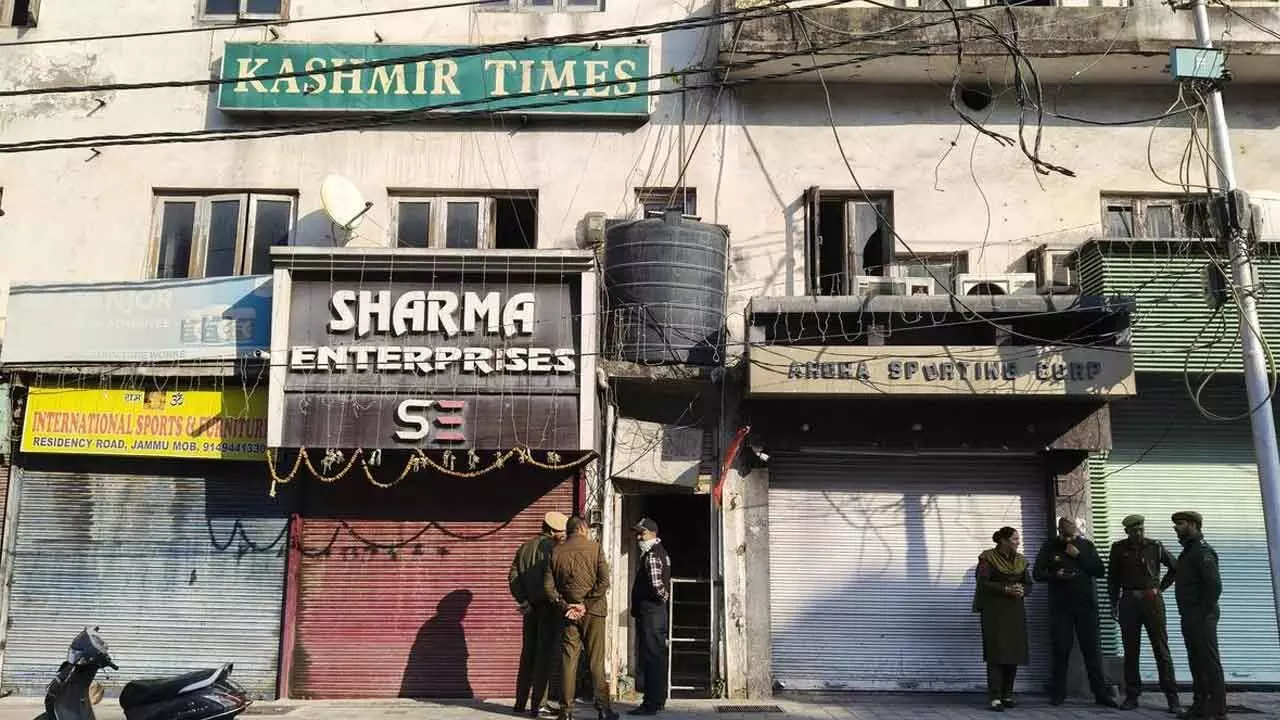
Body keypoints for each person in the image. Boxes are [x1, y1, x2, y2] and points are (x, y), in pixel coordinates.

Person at [1033, 517, 1119, 708]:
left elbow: (1099, 570)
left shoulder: (1086, 546)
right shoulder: (1049, 547)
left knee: (1091, 650)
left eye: (1071, 536)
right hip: (1061, 607)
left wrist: (1079, 556)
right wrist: (1055, 575)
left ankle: (1100, 694)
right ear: (1059, 532)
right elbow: (1037, 573)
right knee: (1061, 649)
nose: (1068, 539)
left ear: (1076, 532)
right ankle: (1058, 694)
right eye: (1064, 536)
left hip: (1085, 606)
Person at [545, 515, 617, 720]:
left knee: (568, 660)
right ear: (583, 529)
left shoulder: (556, 551)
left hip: (568, 613)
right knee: (596, 660)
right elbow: (604, 581)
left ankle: (566, 710)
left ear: (568, 531)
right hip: (594, 612)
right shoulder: (595, 548)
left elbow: (548, 588)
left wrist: (565, 605)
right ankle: (603, 709)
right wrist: (586, 604)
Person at [1107, 514, 1181, 713]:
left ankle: (1172, 698)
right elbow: (1112, 579)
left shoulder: (1155, 546)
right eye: (1134, 530)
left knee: (1161, 650)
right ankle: (1132, 695)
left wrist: (1160, 588)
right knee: (1131, 651)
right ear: (1127, 532)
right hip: (1129, 601)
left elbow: (1175, 567)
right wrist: (1113, 603)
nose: (1138, 533)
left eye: (1140, 529)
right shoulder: (1118, 548)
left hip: (1152, 601)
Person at [511, 511, 569, 717]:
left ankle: (520, 702)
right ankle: (539, 704)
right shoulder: (555, 548)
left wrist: (524, 601)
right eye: (562, 531)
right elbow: (554, 580)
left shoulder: (524, 548)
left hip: (529, 609)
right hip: (548, 608)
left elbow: (513, 577)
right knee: (543, 657)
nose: (564, 535)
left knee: (527, 655)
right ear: (552, 530)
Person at [1172, 511, 1226, 720]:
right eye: (1176, 524)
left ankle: (1218, 710)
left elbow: (1214, 585)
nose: (1176, 527)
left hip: (1201, 615)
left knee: (1209, 662)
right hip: (1190, 614)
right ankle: (1200, 705)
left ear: (1194, 525)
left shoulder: (1202, 551)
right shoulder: (1188, 551)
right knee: (1196, 661)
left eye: (1181, 523)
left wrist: (1202, 612)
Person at [972, 526, 1033, 713]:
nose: (1018, 542)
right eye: (1014, 539)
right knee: (996, 654)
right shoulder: (987, 558)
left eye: (1018, 539)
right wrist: (1005, 589)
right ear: (1003, 541)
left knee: (1013, 653)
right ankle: (995, 697)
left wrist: (1023, 590)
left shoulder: (1020, 560)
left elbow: (1028, 583)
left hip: (1015, 610)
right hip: (995, 611)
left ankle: (1007, 695)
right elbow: (983, 582)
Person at [628, 518, 671, 717]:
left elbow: (656, 585)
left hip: (651, 613)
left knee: (651, 657)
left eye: (642, 533)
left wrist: (662, 597)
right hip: (656, 613)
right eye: (638, 533)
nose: (638, 537)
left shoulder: (652, 555)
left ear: (652, 533)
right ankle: (658, 700)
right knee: (658, 656)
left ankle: (650, 703)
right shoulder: (661, 552)